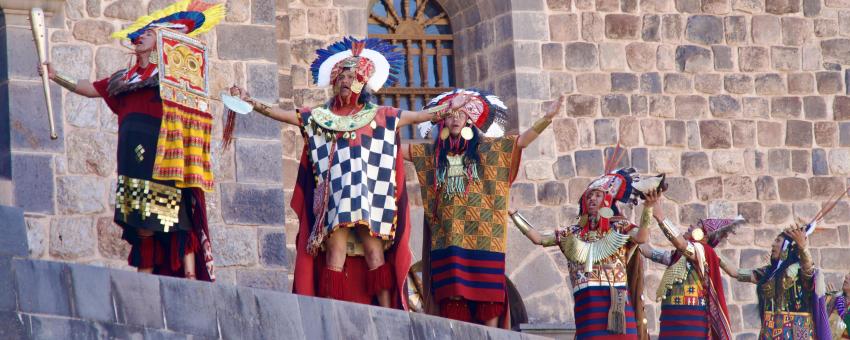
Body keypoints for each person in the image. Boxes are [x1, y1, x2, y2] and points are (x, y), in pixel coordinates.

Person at [229, 37, 472, 309]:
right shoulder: (321, 116)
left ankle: (387, 312)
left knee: (374, 252)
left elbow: (417, 117)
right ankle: (331, 313)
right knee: (334, 252)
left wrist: (448, 108)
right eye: (341, 77)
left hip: (371, 198)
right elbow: (283, 114)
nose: (345, 81)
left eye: (351, 76)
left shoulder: (381, 114)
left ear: (362, 83)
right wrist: (251, 102)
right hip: (337, 198)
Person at [37, 0, 223, 280]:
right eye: (140, 34)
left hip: (164, 153)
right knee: (142, 219)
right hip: (131, 158)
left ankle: (189, 275)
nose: (140, 37)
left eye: (147, 34)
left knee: (177, 215)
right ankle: (145, 274)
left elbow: (192, 108)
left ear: (161, 42)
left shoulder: (172, 77)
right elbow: (90, 89)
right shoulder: (124, 78)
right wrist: (55, 76)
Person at [403, 89, 564, 327]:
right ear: (443, 119)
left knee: (488, 302)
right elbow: (393, 148)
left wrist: (547, 118)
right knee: (452, 304)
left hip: (485, 240)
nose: (456, 118)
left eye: (462, 114)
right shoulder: (429, 154)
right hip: (448, 241)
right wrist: (422, 116)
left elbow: (521, 141)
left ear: (470, 119)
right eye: (450, 114)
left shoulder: (489, 150)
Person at [511, 157, 655, 339]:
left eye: (597, 195)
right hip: (588, 309)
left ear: (606, 201)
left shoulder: (619, 226)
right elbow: (538, 238)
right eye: (589, 196)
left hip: (616, 309)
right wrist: (513, 214)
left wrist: (648, 208)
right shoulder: (572, 233)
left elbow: (642, 237)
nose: (592, 198)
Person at [640, 190, 742, 339]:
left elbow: (680, 244)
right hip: (670, 321)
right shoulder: (676, 257)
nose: (691, 226)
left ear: (704, 235)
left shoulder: (703, 252)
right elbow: (645, 249)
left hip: (691, 323)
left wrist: (660, 215)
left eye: (697, 225)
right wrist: (647, 210)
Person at [719, 223, 832, 340]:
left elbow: (809, 269)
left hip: (795, 333)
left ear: (787, 247)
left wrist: (803, 247)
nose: (773, 244)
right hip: (769, 332)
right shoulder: (768, 273)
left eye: (777, 241)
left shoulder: (800, 270)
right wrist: (713, 254)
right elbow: (736, 273)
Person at [826, 272, 850, 339]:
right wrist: (831, 300)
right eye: (848, 274)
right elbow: (823, 320)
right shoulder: (836, 298)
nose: (846, 276)